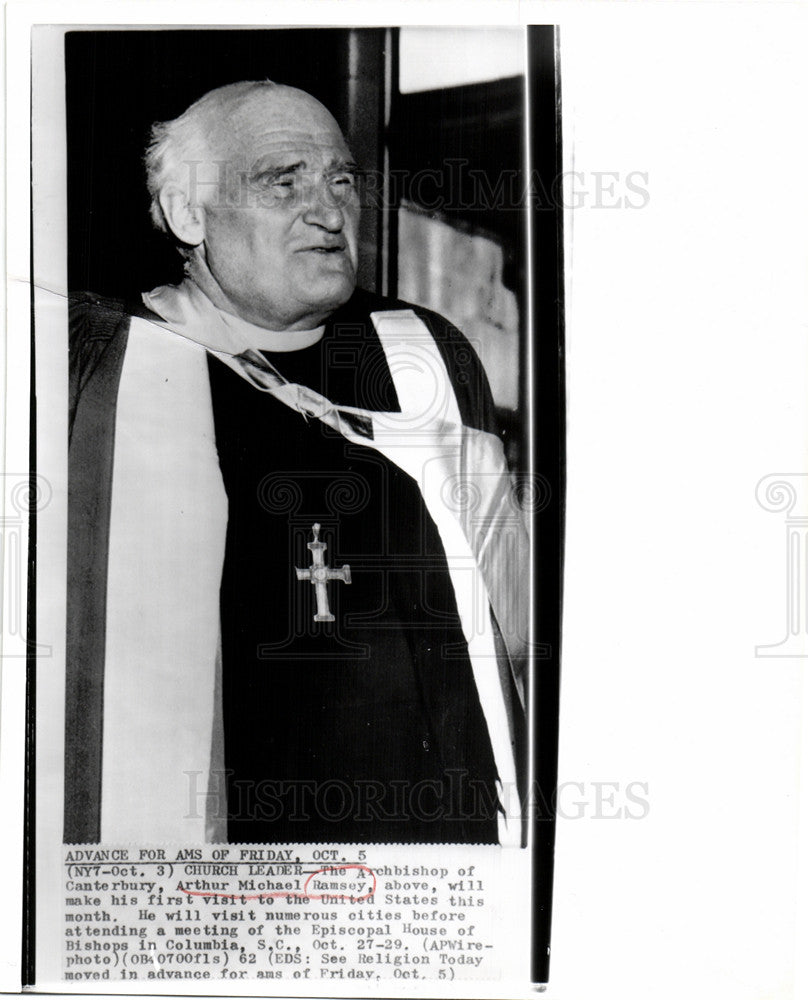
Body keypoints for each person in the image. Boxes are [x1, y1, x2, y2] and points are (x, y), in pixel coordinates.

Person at [65, 81, 529, 846]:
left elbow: (511, 619)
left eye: (341, 181)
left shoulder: (427, 356)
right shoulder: (103, 369)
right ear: (189, 213)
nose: (328, 210)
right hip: (221, 857)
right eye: (283, 182)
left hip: (430, 851)